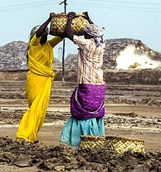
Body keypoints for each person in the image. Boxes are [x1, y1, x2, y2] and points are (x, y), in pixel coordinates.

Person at [60, 11, 106, 146]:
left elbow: (68, 33)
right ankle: (95, 138)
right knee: (93, 110)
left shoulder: (86, 44)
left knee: (83, 111)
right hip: (99, 82)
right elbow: (96, 32)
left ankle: (81, 139)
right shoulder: (101, 44)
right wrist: (88, 19)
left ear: (87, 35)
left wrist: (70, 18)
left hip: (86, 81)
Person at [16, 13, 63, 142]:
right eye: (43, 34)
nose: (45, 36)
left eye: (46, 34)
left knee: (41, 111)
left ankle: (31, 134)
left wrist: (67, 20)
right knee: (35, 108)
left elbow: (61, 37)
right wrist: (49, 19)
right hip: (35, 80)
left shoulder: (48, 45)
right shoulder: (34, 45)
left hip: (46, 81)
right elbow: (39, 32)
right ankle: (23, 134)